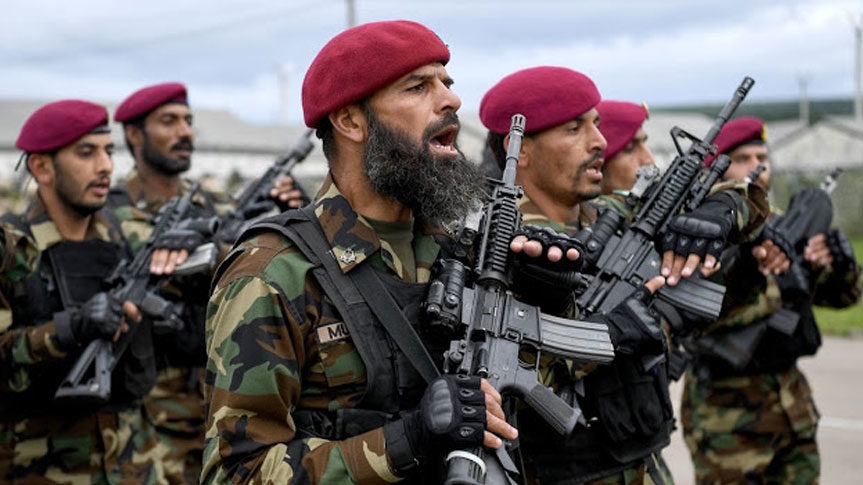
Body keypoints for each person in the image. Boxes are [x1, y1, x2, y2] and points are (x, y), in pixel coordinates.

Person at [198, 20, 587, 484]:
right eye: (417, 87)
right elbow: (235, 472)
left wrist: (548, 303)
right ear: (350, 121)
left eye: (446, 82)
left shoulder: (460, 250)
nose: (451, 100)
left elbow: (544, 408)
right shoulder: (274, 271)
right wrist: (403, 442)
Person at [479, 68, 771, 484]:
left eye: (596, 125)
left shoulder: (615, 217)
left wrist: (721, 211)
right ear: (519, 149)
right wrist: (601, 338)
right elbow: (493, 375)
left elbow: (750, 198)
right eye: (574, 129)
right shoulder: (497, 247)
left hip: (642, 463)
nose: (599, 142)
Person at [680, 116, 862, 484]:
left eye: (762, 155)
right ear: (715, 167)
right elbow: (697, 314)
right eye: (743, 158)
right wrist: (748, 264)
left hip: (790, 404)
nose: (757, 167)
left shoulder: (785, 225)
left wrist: (838, 266)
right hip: (726, 417)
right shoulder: (700, 233)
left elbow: (841, 298)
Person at [0, 99, 163, 483]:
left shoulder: (127, 237)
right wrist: (69, 327)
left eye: (109, 151)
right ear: (42, 167)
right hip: (40, 465)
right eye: (86, 152)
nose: (105, 166)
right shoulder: (12, 250)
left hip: (132, 459)